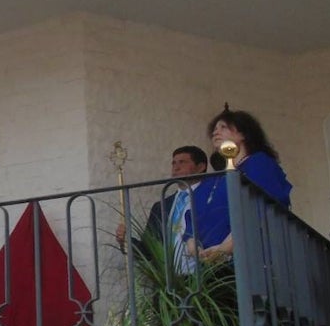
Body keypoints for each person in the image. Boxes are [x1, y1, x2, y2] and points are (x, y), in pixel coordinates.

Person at [185, 107, 292, 265]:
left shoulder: (258, 163)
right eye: (214, 129)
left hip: (251, 259)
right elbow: (192, 219)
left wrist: (225, 248)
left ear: (243, 134)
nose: (216, 132)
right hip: (210, 268)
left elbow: (261, 209)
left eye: (223, 127)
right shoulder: (212, 181)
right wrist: (194, 248)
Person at [115, 145, 208, 272]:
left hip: (205, 278)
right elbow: (148, 250)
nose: (176, 167)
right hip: (169, 282)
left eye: (182, 162)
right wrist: (126, 240)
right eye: (173, 163)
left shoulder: (211, 198)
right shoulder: (162, 206)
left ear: (200, 167)